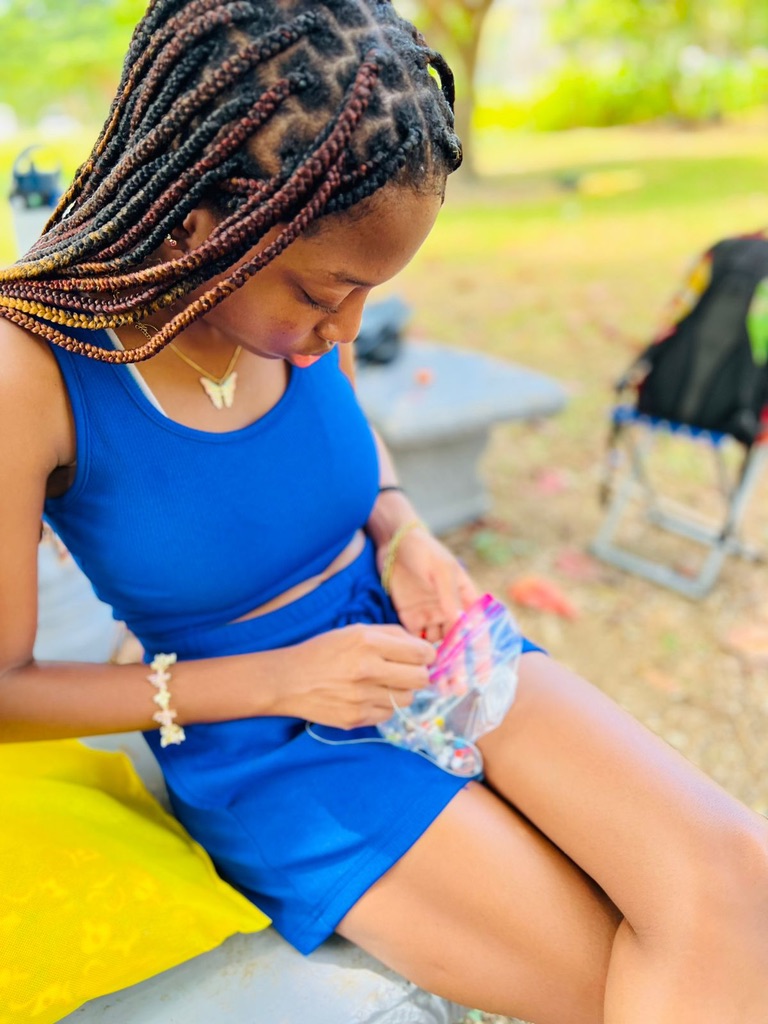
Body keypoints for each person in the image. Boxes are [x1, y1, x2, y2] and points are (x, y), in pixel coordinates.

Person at [0, 3, 766, 1021]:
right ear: (200, 222)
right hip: (263, 732)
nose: (346, 329)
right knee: (607, 974)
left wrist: (402, 527)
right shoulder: (31, 374)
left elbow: (347, 437)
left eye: (368, 293)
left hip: (412, 629)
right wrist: (285, 678)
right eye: (325, 295)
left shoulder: (305, 293)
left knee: (734, 882)